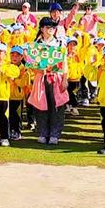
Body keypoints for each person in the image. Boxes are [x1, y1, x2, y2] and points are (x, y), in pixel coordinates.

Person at [27, 17, 69, 145]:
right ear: (42, 29)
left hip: (56, 78)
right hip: (41, 78)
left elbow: (64, 62)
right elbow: (30, 63)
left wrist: (65, 79)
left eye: (53, 27)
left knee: (57, 106)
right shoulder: (36, 45)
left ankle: (55, 134)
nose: (50, 30)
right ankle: (42, 133)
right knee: (41, 106)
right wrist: (37, 69)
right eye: (47, 27)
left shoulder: (60, 44)